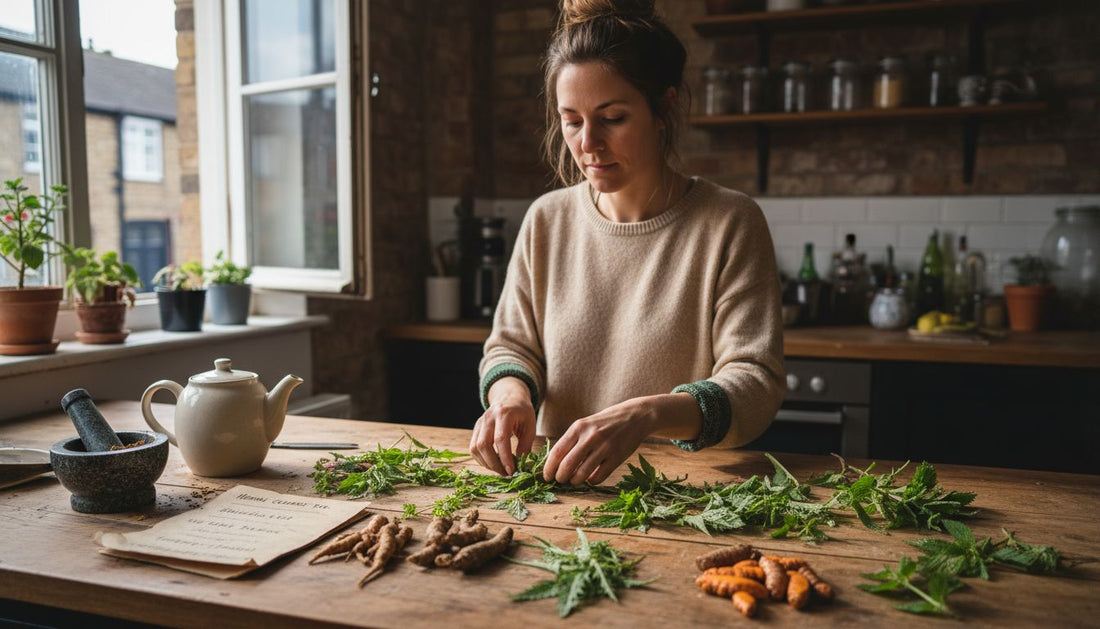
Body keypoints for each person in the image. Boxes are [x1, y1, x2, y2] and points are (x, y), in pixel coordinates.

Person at [470, 0, 784, 486]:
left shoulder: (730, 222)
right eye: (572, 120)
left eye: (612, 118)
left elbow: (755, 384)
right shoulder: (546, 220)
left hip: (684, 500)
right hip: (558, 496)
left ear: (664, 108)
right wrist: (510, 396)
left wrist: (646, 415)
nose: (588, 143)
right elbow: (511, 347)